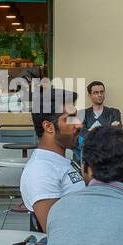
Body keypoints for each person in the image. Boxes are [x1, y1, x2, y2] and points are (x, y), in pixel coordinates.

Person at [20, 89, 84, 231]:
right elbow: (56, 232)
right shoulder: (41, 171)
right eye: (70, 118)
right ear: (48, 126)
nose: (79, 125)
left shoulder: (59, 162)